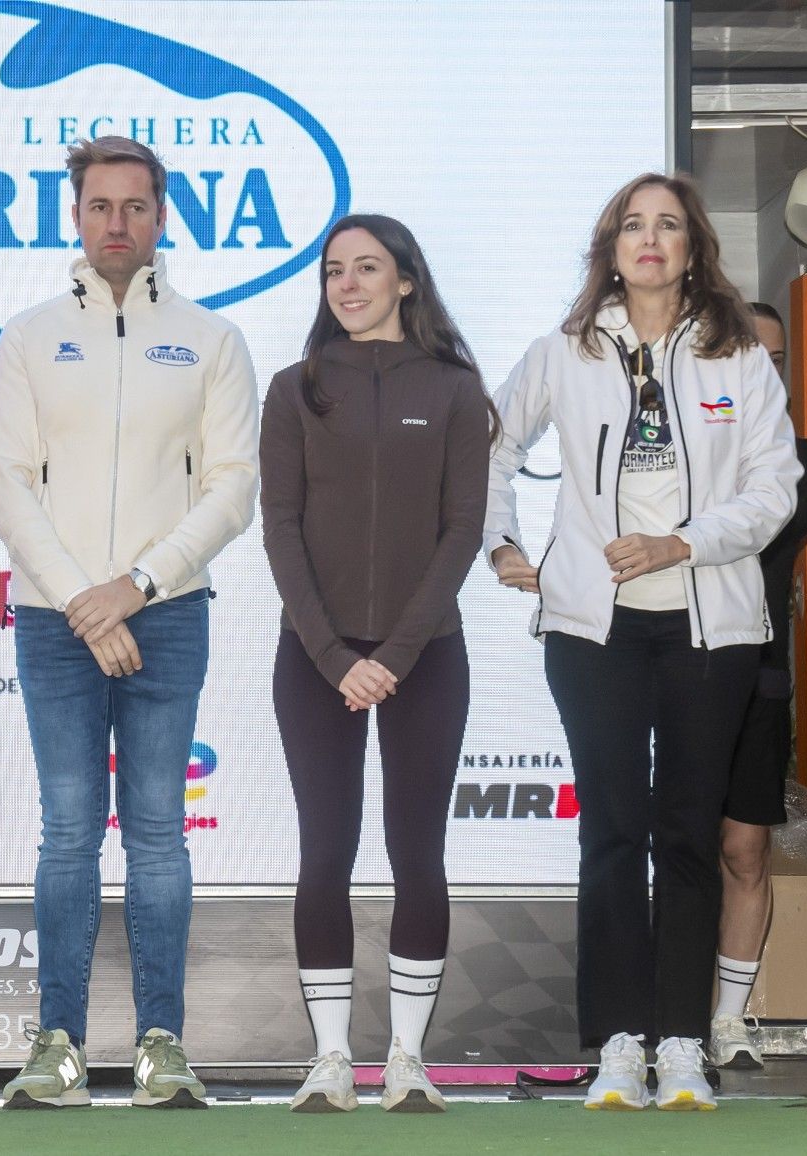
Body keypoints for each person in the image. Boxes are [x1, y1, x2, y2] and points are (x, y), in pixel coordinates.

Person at [487, 173, 800, 1111]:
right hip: (594, 629)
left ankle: (683, 1043)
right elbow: (488, 445)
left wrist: (682, 543)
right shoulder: (563, 352)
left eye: (668, 225)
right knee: (614, 832)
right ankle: (620, 1042)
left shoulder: (739, 355)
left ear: (694, 245)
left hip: (711, 625)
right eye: (634, 225)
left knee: (689, 835)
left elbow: (774, 485)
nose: (651, 239)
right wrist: (500, 541)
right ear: (611, 247)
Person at [0, 136, 259, 1111]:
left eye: (135, 207)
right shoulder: (29, 334)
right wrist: (84, 599)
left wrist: (136, 583)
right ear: (76, 214)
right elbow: (4, 487)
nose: (116, 224)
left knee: (156, 836)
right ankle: (56, 1045)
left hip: (168, 614)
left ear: (161, 216)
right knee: (66, 833)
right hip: (59, 622)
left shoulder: (211, 338)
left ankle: (161, 1046)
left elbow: (231, 492)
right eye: (100, 206)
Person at [260, 215, 492, 1114]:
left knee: (417, 855)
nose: (348, 285)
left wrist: (390, 656)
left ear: (406, 280)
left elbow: (461, 530)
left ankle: (407, 1059)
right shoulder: (296, 388)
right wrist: (330, 654)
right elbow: (280, 529)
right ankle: (330, 1061)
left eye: (367, 269)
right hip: (313, 658)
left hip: (424, 657)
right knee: (325, 854)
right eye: (333, 272)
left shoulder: (455, 390)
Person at [711, 303, 807, 1069]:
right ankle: (660, 1020)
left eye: (777, 361)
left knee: (745, 849)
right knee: (676, 849)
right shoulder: (681, 449)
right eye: (754, 355)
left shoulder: (803, 459)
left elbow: (761, 537)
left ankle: (727, 1020)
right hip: (672, 671)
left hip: (759, 678)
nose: (767, 372)